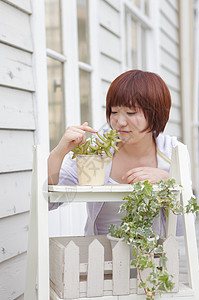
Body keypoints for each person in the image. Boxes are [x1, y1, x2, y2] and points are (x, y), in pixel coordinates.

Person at [48, 70, 188, 237]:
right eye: (114, 112)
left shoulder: (173, 152)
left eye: (131, 113)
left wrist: (168, 183)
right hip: (99, 257)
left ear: (155, 114)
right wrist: (58, 153)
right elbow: (49, 202)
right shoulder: (97, 148)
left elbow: (184, 229)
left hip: (152, 259)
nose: (120, 122)